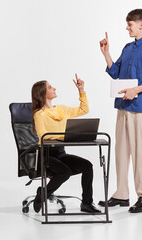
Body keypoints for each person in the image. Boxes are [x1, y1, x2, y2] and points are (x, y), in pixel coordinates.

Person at [98, 9, 142, 213]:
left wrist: (136, 90)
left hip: (141, 108)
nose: (127, 28)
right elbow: (116, 72)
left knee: (141, 153)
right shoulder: (127, 48)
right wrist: (106, 53)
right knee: (121, 152)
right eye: (127, 24)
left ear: (141, 25)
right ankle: (121, 194)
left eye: (130, 24)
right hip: (123, 106)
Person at [31, 74, 100, 213]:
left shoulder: (61, 109)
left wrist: (81, 90)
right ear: (42, 93)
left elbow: (84, 110)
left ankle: (86, 204)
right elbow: (42, 135)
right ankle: (42, 195)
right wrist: (65, 136)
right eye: (50, 87)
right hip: (46, 156)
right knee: (65, 172)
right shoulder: (39, 114)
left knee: (87, 166)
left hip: (61, 154)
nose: (54, 88)